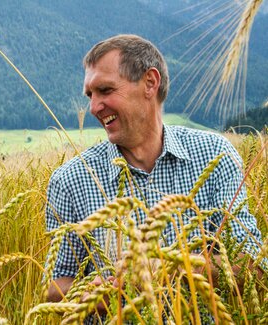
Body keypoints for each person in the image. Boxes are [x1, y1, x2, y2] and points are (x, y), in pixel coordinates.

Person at [45, 34, 262, 322]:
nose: (94, 107)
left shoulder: (215, 156)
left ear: (150, 83)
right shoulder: (69, 180)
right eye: (90, 95)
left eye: (105, 90)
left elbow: (254, 269)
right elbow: (55, 285)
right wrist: (92, 294)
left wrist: (166, 269)